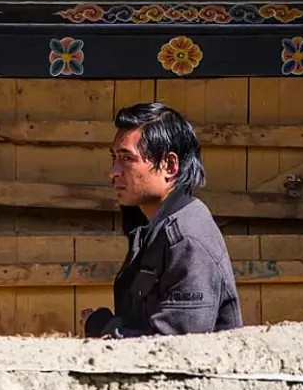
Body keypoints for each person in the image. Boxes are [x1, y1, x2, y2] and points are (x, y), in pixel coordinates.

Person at [83, 102, 242, 338]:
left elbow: (176, 346)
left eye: (127, 158)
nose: (113, 171)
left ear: (169, 165)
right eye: (114, 157)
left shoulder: (187, 239)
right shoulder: (152, 226)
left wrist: (101, 327)